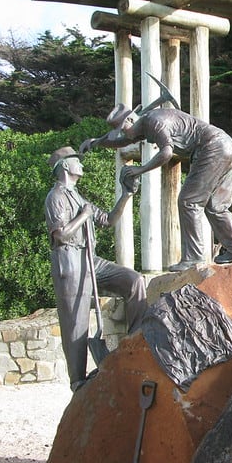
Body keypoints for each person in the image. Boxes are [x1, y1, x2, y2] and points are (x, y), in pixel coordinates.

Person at [80, 105, 232, 271]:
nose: (124, 134)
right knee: (216, 207)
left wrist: (140, 169)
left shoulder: (154, 122)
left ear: (131, 119)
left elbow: (166, 153)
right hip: (227, 146)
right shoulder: (142, 126)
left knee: (189, 202)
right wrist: (96, 142)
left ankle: (193, 257)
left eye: (124, 129)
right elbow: (123, 141)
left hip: (212, 148)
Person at [45, 146, 147, 392]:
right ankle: (77, 380)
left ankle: (135, 341)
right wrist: (84, 215)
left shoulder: (78, 196)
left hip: (90, 257)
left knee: (133, 281)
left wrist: (126, 194)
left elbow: (109, 220)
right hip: (69, 259)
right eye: (76, 161)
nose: (81, 164)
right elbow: (59, 236)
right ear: (66, 166)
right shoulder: (56, 196)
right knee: (76, 322)